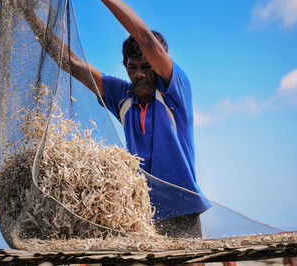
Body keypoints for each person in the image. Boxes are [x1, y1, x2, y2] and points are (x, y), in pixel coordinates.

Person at [17, 0, 210, 238]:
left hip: (183, 208)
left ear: (160, 64)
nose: (139, 74)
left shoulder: (173, 90)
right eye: (133, 67)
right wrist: (25, 10)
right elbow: (71, 62)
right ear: (125, 67)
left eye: (147, 66)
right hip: (142, 215)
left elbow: (144, 37)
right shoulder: (122, 96)